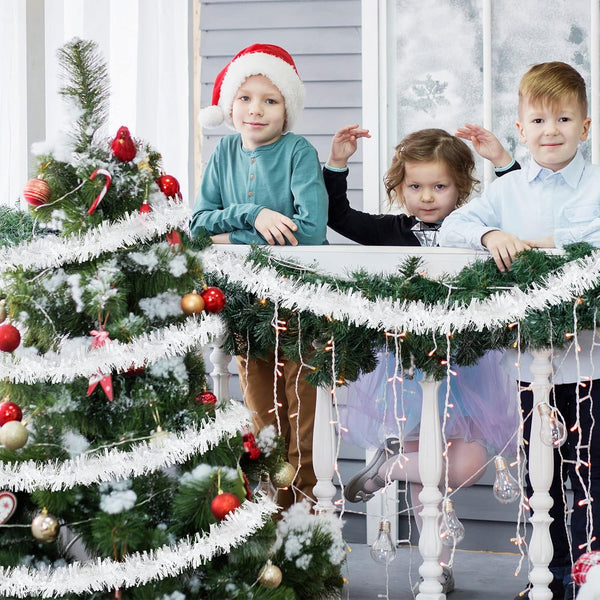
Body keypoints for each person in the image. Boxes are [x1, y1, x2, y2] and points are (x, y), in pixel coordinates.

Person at [325, 125, 520, 595]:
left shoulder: (476, 227)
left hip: (469, 368)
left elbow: (518, 207)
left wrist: (504, 161)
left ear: (461, 187)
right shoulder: (391, 231)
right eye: (415, 186)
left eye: (440, 186)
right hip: (410, 368)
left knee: (462, 465)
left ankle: (386, 467)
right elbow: (338, 216)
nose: (427, 197)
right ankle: (438, 562)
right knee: (429, 478)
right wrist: (337, 164)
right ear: (399, 187)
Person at [439, 61, 600, 600]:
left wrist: (554, 254)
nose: (550, 130)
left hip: (588, 364)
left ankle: (589, 581)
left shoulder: (596, 184)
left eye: (563, 118)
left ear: (586, 125)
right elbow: (451, 228)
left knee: (588, 477)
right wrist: (488, 234)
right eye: (538, 120)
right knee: (540, 480)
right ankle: (546, 580)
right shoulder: (507, 191)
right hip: (526, 369)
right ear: (520, 128)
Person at [190, 43, 328, 509]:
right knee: (260, 406)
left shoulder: (299, 152)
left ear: (287, 109)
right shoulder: (224, 151)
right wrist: (255, 214)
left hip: (300, 295)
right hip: (247, 300)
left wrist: (230, 237)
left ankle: (305, 507)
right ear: (230, 105)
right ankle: (270, 505)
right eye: (246, 97)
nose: (256, 109)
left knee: (301, 402)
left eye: (270, 100)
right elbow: (197, 225)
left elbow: (308, 233)